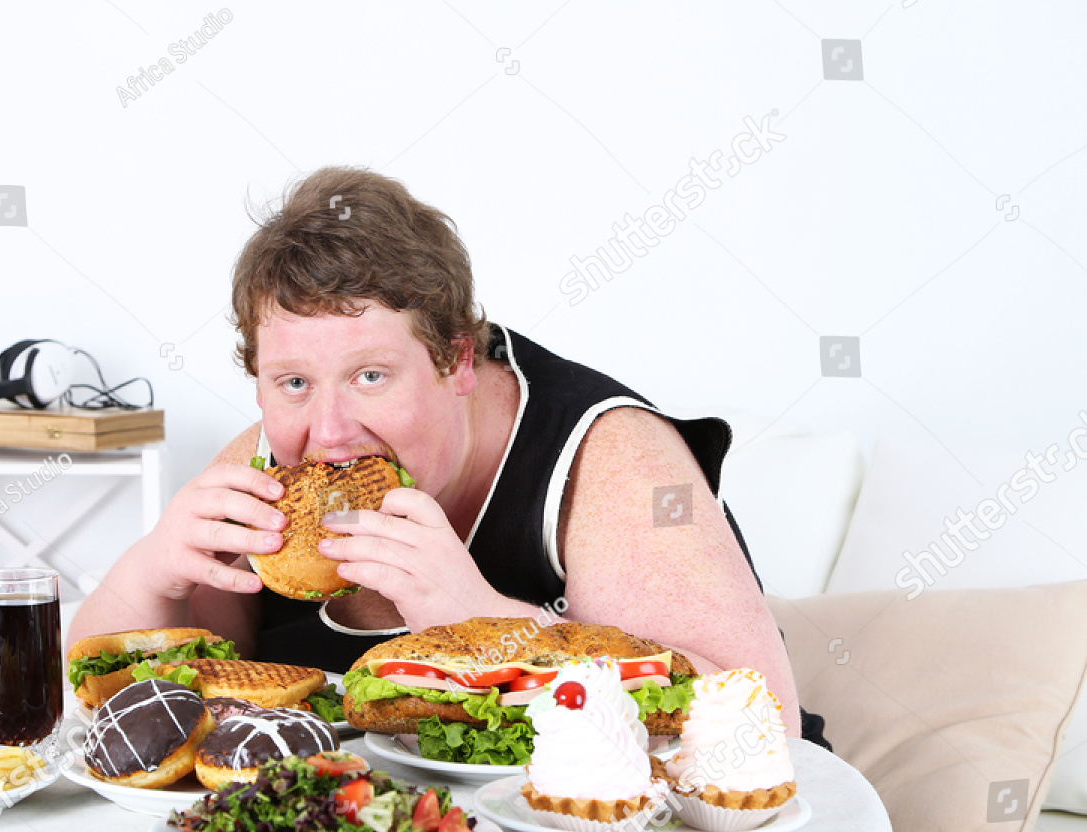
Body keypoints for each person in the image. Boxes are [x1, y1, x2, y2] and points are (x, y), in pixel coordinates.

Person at [69, 166, 819, 739]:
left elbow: (762, 717)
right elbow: (113, 695)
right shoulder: (264, 472)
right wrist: (151, 570)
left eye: (370, 375)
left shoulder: (611, 459)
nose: (328, 430)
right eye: (293, 380)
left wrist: (489, 621)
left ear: (458, 360)